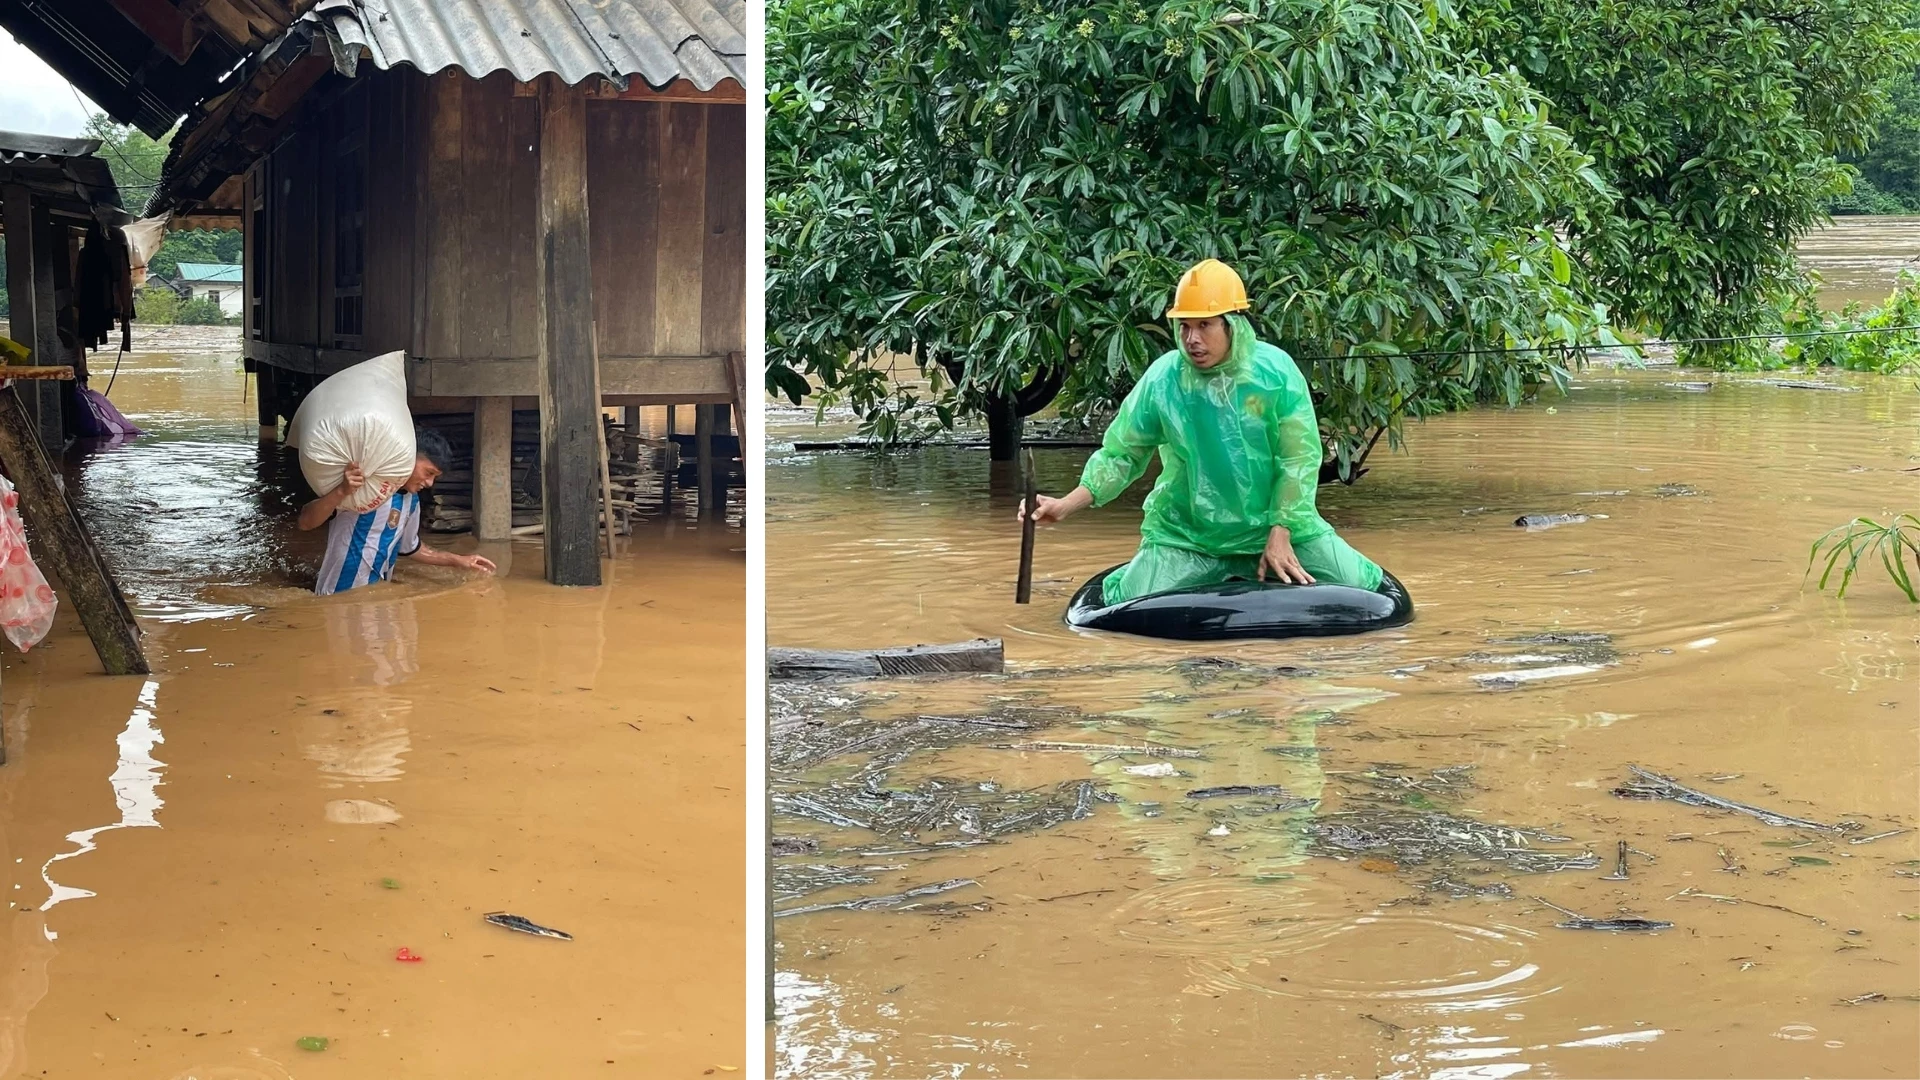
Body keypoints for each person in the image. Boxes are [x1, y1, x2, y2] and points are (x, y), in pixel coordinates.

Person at [1020, 258, 1383, 605]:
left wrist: (1282, 529)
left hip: (1274, 528)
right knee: (1129, 598)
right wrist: (1066, 503)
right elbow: (1123, 453)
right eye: (1184, 326)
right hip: (1189, 535)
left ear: (1232, 324)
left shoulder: (1273, 375)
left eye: (1204, 325)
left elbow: (1298, 457)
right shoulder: (1165, 380)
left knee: (1358, 583)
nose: (1192, 338)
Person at [299, 427, 496, 596]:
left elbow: (410, 547)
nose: (429, 483)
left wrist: (458, 560)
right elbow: (305, 522)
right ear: (408, 457)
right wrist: (341, 491)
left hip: (376, 597)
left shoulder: (411, 501)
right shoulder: (365, 488)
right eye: (428, 473)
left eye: (435, 477)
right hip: (337, 597)